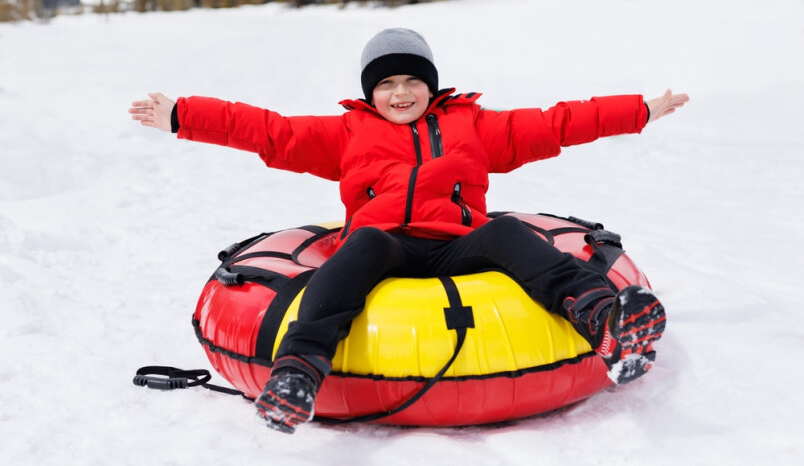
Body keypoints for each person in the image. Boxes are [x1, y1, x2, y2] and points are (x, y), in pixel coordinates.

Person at [129, 27, 689, 434]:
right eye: (388, 83)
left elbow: (557, 123)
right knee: (365, 243)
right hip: (386, 245)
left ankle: (602, 318)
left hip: (459, 246)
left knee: (509, 233)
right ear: (371, 91)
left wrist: (639, 110)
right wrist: (183, 115)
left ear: (431, 86)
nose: (401, 93)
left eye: (413, 81)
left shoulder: (472, 124)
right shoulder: (348, 132)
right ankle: (297, 372)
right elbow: (269, 131)